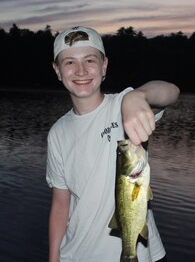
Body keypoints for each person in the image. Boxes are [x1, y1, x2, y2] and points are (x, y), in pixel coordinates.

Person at [46, 26, 180, 262]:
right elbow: (60, 204)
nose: (81, 71)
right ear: (57, 70)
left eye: (90, 60)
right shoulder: (57, 132)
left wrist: (138, 96)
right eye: (69, 63)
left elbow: (171, 92)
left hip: (140, 253)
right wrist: (53, 258)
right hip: (75, 255)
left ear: (104, 65)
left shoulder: (122, 106)